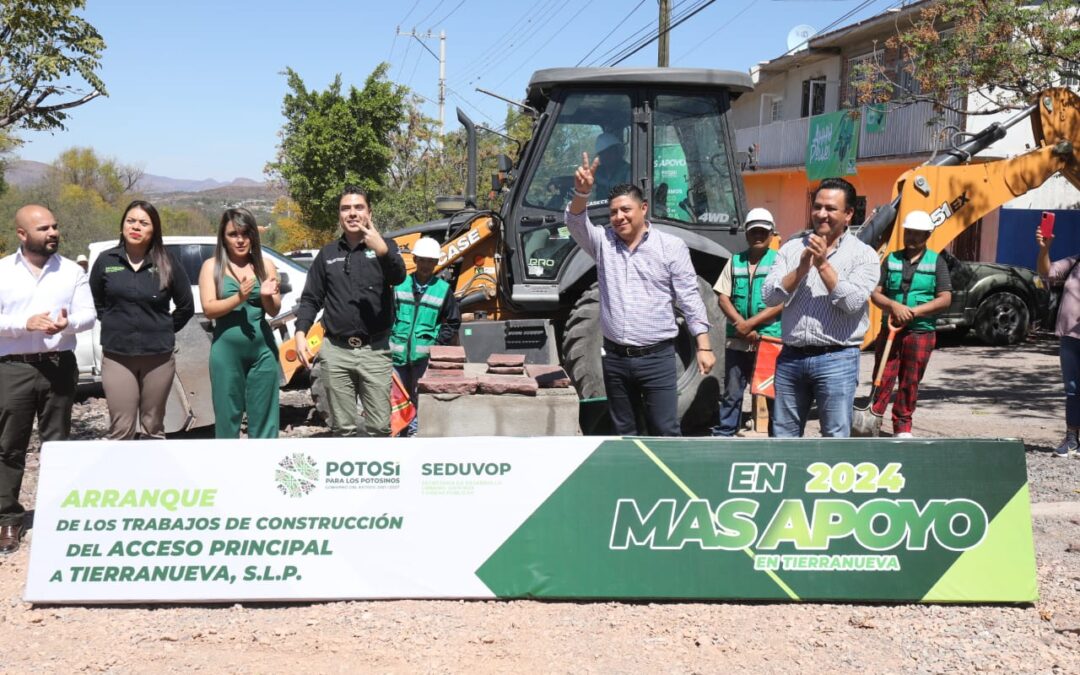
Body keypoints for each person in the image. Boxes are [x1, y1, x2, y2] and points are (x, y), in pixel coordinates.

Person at [566, 153, 715, 436]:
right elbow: (575, 222)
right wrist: (581, 193)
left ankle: (668, 480)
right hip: (616, 359)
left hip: (657, 358)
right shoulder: (603, 243)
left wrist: (704, 346)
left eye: (625, 210)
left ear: (643, 208)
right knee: (625, 431)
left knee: (665, 430)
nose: (618, 217)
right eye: (613, 212)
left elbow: (689, 298)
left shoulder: (670, 247)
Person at [0, 205, 96, 554]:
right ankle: (8, 519)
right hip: (13, 367)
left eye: (55, 226)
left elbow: (88, 314)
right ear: (22, 235)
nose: (53, 233)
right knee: (9, 445)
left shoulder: (71, 271)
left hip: (58, 364)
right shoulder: (2, 272)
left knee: (58, 444)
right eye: (44, 228)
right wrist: (21, 325)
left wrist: (65, 324)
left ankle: (58, 517)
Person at [761, 177, 880, 437]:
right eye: (817, 207)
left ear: (848, 214)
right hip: (791, 357)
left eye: (830, 208)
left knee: (835, 438)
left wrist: (823, 265)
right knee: (783, 435)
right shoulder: (791, 249)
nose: (821, 214)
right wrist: (802, 268)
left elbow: (852, 303)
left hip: (836, 358)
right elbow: (769, 296)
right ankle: (790, 478)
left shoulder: (864, 255)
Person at [294, 186, 407, 437]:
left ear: (369, 212)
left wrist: (382, 251)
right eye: (346, 208)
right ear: (340, 215)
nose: (352, 213)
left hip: (375, 351)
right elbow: (311, 298)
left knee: (379, 426)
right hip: (336, 353)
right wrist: (301, 333)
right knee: (342, 427)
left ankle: (376, 475)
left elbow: (399, 276)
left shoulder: (385, 246)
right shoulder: (327, 254)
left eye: (359, 207)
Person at [89, 201, 195, 440]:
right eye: (131, 221)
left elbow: (186, 306)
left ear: (153, 230)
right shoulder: (107, 261)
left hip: (158, 357)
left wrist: (164, 328)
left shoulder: (167, 261)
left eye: (143, 223)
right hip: (118, 356)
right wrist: (115, 323)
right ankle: (119, 477)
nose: (136, 226)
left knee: (153, 426)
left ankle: (152, 476)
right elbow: (95, 302)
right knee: (121, 428)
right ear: (122, 226)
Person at [198, 208, 281, 439]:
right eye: (233, 234)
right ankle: (228, 472)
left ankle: (263, 469)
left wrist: (266, 295)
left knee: (265, 420)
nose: (241, 239)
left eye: (246, 233)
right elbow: (209, 309)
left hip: (263, 351)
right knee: (227, 419)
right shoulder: (211, 266)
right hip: (226, 352)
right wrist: (238, 298)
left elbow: (274, 310)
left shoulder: (266, 265)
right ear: (223, 237)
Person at [868, 210, 952, 438]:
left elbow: (945, 298)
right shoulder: (892, 259)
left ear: (927, 235)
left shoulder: (937, 262)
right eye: (909, 232)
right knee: (882, 376)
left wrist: (913, 312)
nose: (912, 237)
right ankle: (872, 420)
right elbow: (875, 294)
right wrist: (894, 307)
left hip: (920, 331)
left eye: (917, 233)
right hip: (891, 329)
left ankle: (902, 427)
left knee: (910, 380)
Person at [712, 208, 783, 437]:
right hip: (738, 341)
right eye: (754, 232)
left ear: (772, 234)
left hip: (769, 341)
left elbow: (783, 301)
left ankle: (778, 438)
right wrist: (740, 325)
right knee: (732, 392)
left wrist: (750, 324)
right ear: (746, 234)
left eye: (763, 231)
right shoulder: (735, 262)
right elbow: (723, 296)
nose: (759, 236)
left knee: (772, 393)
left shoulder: (780, 262)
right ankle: (725, 434)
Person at [389, 237, 461, 437]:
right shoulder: (399, 285)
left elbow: (453, 322)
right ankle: (398, 432)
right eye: (422, 260)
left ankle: (414, 433)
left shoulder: (443, 290)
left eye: (431, 261)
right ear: (415, 259)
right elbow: (389, 316)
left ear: (436, 263)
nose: (426, 265)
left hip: (423, 357)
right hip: (397, 354)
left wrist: (436, 343)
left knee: (420, 396)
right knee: (397, 398)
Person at [1037, 225, 1080, 458]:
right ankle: (1072, 439)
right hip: (1070, 336)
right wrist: (1044, 250)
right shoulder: (1075, 262)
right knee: (1072, 390)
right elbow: (1048, 272)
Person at [592, 132, 631, 201]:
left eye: (609, 152)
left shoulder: (628, 171)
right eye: (602, 154)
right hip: (598, 210)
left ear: (618, 152)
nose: (605, 156)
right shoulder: (597, 172)